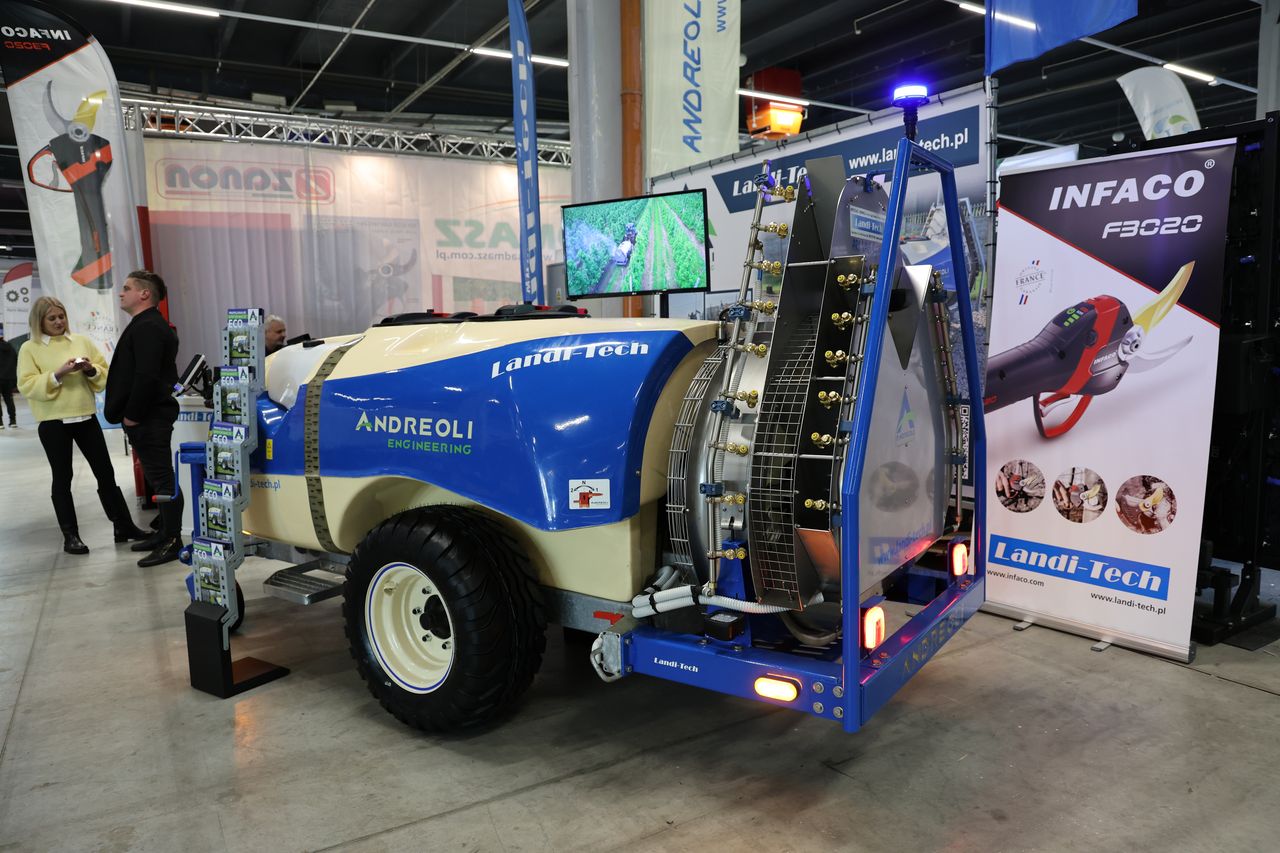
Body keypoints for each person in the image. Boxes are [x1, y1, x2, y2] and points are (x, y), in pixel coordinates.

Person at [16, 297, 150, 554]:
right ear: (39, 321)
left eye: (61, 316)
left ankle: (123, 526)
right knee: (62, 477)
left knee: (105, 472)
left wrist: (89, 369)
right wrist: (58, 374)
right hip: (53, 422)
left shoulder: (80, 341)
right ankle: (71, 536)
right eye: (52, 318)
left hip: (86, 417)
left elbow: (104, 373)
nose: (59, 322)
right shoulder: (29, 348)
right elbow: (27, 385)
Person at [104, 270, 184, 567]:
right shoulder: (145, 324)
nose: (121, 292)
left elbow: (146, 376)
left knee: (162, 479)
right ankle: (163, 534)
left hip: (148, 417)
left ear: (144, 294)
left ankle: (172, 540)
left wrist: (133, 416)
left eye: (127, 288)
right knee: (156, 477)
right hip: (146, 417)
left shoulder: (149, 326)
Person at [0, 331, 17, 427]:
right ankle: (13, 420)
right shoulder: (10, 347)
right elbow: (16, 360)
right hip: (8, 378)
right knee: (9, 399)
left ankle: (0, 423)